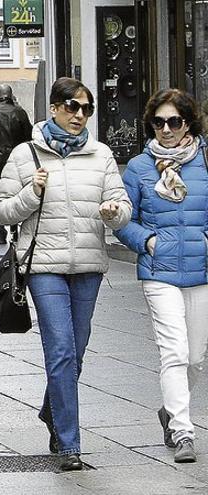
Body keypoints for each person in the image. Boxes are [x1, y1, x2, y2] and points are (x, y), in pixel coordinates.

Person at [0, 77, 132, 471]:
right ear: (53, 108)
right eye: (72, 106)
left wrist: (113, 213)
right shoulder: (25, 156)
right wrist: (31, 194)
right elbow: (0, 211)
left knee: (77, 350)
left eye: (86, 108)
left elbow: (121, 205)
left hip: (88, 265)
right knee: (61, 349)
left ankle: (52, 411)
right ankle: (69, 443)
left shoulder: (101, 154)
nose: (79, 115)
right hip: (44, 267)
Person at [114, 88, 208, 464]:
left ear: (188, 123)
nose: (166, 129)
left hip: (201, 269)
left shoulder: (205, 161)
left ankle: (170, 410)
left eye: (174, 121)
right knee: (174, 352)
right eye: (158, 122)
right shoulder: (138, 167)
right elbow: (124, 221)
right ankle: (183, 430)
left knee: (197, 357)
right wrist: (148, 240)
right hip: (159, 271)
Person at [0, 84, 32, 245]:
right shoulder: (20, 112)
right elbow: (28, 136)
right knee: (16, 193)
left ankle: (0, 231)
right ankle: (15, 229)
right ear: (10, 95)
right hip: (16, 158)